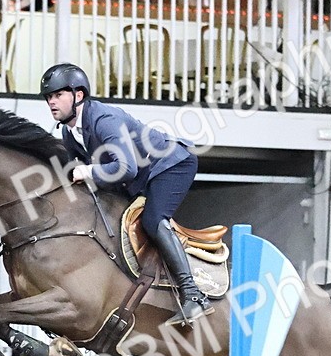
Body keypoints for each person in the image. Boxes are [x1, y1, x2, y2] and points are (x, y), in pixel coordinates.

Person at [40, 62, 214, 326]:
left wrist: (88, 171)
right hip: (138, 177)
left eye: (58, 95)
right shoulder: (69, 132)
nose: (51, 102)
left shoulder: (104, 120)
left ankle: (193, 295)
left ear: (78, 95)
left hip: (172, 164)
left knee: (152, 221)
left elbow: (125, 168)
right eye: (48, 97)